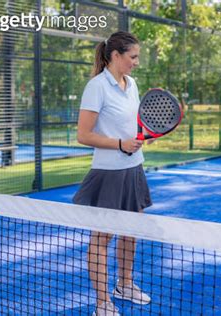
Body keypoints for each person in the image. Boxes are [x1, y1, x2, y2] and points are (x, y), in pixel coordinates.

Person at [73, 31, 153, 316]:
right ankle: (103, 303)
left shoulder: (131, 84)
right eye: (133, 57)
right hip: (109, 173)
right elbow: (83, 135)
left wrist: (141, 138)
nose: (136, 62)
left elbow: (132, 125)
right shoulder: (96, 86)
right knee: (101, 239)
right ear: (115, 56)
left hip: (134, 168)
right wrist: (119, 144)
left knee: (131, 233)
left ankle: (125, 284)